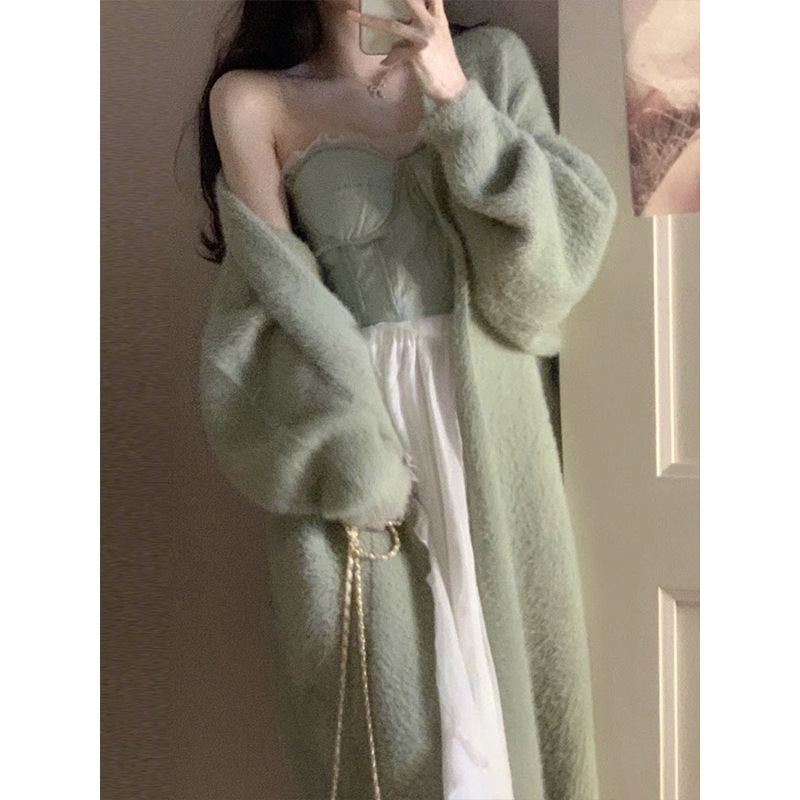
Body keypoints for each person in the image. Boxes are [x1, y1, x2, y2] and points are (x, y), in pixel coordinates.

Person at [194, 2, 618, 798]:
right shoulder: (252, 101)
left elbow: (541, 290)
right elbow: (277, 304)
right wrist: (354, 459)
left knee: (518, 719)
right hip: (360, 437)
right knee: (400, 733)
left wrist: (453, 96)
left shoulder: (491, 62)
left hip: (494, 432)